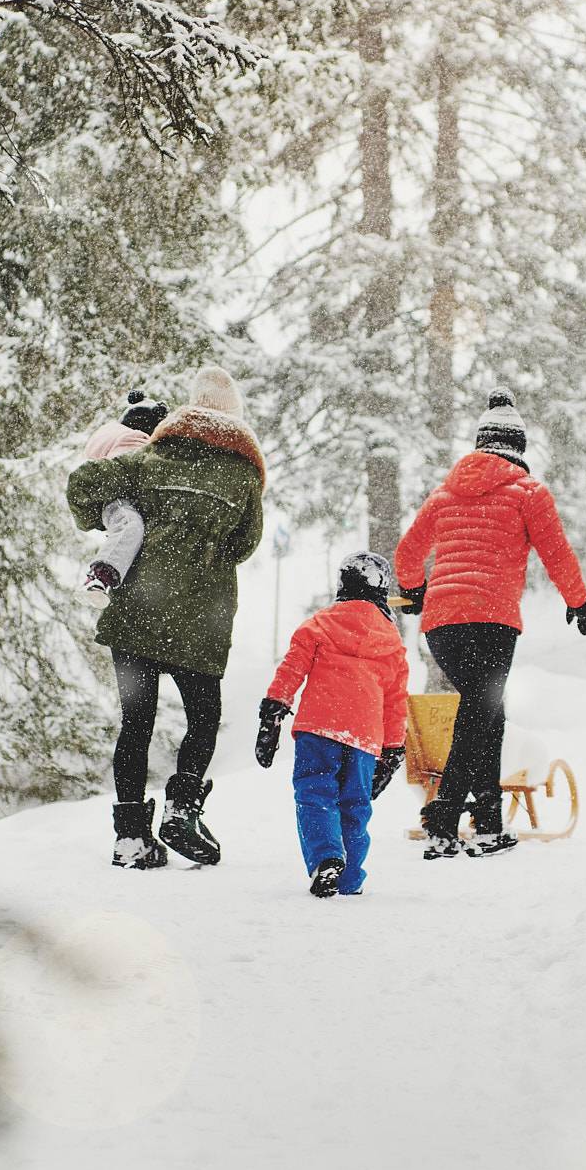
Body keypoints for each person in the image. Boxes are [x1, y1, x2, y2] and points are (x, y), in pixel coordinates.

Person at [67, 365, 264, 869]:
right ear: (234, 419)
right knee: (203, 719)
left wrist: (110, 521)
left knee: (136, 722)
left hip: (139, 613)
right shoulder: (243, 475)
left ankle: (131, 837)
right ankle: (182, 807)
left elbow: (85, 482)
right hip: (201, 619)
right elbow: (244, 545)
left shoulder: (153, 458)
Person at [394, 390, 586, 862]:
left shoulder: (444, 495)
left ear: (481, 445)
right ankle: (445, 813)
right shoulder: (528, 493)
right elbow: (556, 552)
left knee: (487, 712)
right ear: (518, 449)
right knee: (479, 711)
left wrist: (416, 591)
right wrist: (579, 601)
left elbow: (407, 552)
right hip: (492, 621)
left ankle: (487, 820)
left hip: (442, 625)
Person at [255, 552, 409, 899]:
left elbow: (292, 669)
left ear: (343, 585)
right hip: (365, 736)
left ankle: (326, 858)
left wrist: (273, 713)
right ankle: (350, 877)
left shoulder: (319, 624)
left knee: (314, 793)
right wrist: (393, 751)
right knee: (356, 803)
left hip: (318, 727)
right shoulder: (391, 642)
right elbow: (396, 701)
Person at [77, 388, 168, 595]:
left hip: (113, 502)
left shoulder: (112, 435)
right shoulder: (134, 439)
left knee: (130, 531)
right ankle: (100, 577)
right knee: (130, 526)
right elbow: (128, 468)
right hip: (119, 501)